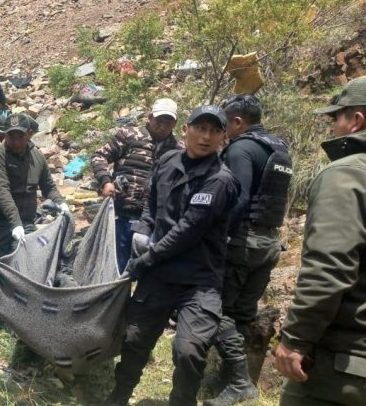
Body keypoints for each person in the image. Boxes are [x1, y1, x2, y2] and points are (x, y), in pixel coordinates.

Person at [106, 105, 240, 406]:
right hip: (160, 275)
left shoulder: (220, 180)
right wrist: (143, 228)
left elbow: (188, 229)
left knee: (189, 350)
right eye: (200, 128)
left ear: (223, 137)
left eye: (214, 131)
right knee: (133, 340)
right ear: (186, 130)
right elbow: (152, 202)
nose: (205, 137)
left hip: (198, 280)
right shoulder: (167, 161)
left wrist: (145, 260)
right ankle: (118, 396)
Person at [274, 75, 366, 405]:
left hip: (345, 369)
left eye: (337, 117)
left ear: (356, 121)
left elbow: (329, 269)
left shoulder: (350, 174)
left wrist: (294, 340)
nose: (332, 126)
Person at [206, 95, 292, 406]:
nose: (223, 131)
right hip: (268, 242)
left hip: (243, 243)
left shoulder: (242, 147)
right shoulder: (278, 148)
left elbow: (237, 198)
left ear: (238, 121)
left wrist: (219, 235)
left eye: (225, 124)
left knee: (215, 312)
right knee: (242, 313)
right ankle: (228, 378)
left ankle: (241, 382)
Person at [0, 112, 69, 322]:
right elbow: (2, 192)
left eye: (20, 136)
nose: (16, 141)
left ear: (29, 134)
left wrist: (61, 203)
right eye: (11, 136)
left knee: (33, 263)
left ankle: (26, 314)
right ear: (5, 136)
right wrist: (15, 224)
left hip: (24, 222)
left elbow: (48, 186)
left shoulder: (37, 157)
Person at [90, 98, 183, 271]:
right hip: (123, 212)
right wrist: (106, 182)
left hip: (155, 219)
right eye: (159, 120)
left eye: (168, 121)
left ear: (175, 123)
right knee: (117, 264)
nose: (162, 126)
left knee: (150, 268)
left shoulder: (179, 149)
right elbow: (99, 157)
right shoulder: (129, 135)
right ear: (149, 117)